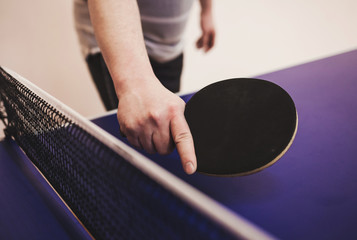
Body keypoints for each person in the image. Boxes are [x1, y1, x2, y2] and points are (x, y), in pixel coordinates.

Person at [73, 0, 215, 174]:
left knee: (165, 142)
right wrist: (134, 85)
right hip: (120, 45)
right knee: (141, 160)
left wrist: (206, 10)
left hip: (169, 47)